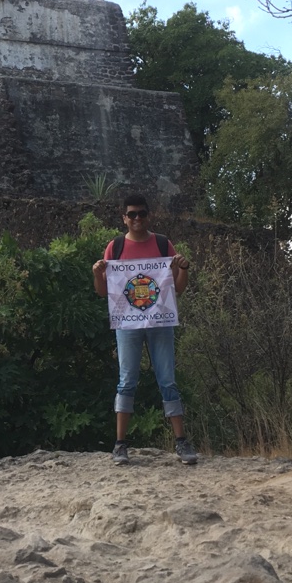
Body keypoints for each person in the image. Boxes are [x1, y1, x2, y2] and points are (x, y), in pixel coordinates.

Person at [92, 192, 198, 466]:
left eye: (141, 213)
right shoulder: (114, 247)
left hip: (159, 322)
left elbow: (177, 289)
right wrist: (96, 273)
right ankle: (120, 444)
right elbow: (104, 292)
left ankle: (181, 442)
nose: (137, 219)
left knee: (167, 379)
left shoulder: (163, 244)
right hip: (128, 323)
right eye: (132, 214)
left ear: (148, 215)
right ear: (124, 218)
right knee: (126, 380)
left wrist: (183, 269)